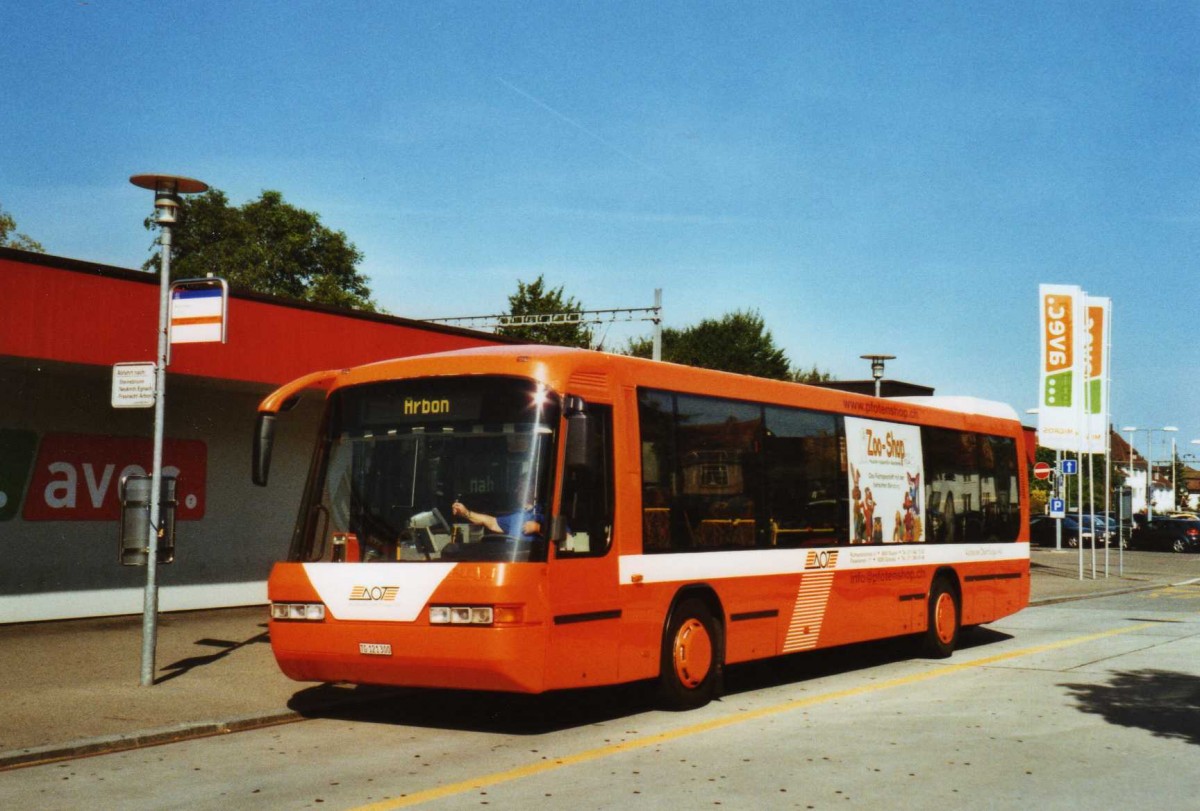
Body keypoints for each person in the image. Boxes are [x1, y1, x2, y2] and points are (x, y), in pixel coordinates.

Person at [452, 500, 543, 539]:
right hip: (510, 559)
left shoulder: (543, 512)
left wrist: (538, 528)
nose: (518, 490)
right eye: (518, 487)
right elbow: (493, 523)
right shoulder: (517, 516)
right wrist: (466, 513)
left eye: (522, 486)